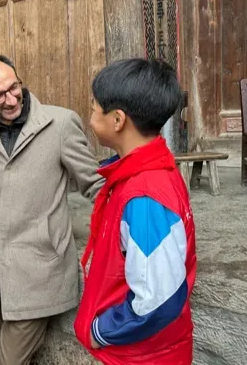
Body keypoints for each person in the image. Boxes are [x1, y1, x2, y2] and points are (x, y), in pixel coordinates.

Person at [0, 54, 104, 365]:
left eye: (14, 87)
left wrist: (126, 228)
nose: (11, 99)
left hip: (37, 269)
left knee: (7, 361)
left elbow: (95, 185)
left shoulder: (61, 123)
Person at [74, 58, 197, 364]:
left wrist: (101, 330)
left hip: (142, 356)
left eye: (93, 108)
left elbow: (157, 302)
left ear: (117, 120)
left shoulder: (144, 197)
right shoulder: (144, 172)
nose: (90, 117)